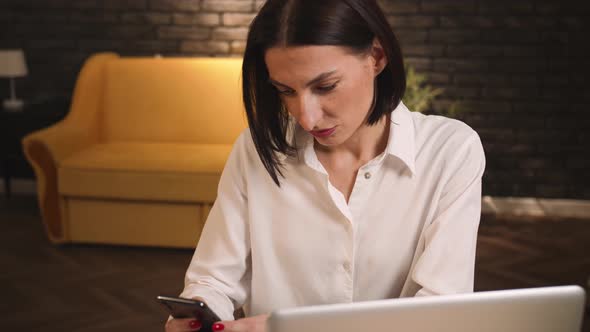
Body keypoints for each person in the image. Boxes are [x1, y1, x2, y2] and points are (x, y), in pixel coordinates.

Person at [165, 0, 486, 331]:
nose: (306, 116)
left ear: (377, 57)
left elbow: (441, 313)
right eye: (285, 91)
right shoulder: (255, 151)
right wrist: (197, 314)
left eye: (325, 86)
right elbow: (213, 280)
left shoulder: (451, 151)